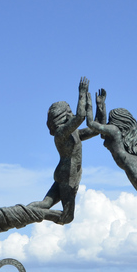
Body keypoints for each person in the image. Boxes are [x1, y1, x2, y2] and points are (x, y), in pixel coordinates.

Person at [29, 78, 104, 225]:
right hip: (67, 177)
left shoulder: (74, 134)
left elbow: (97, 128)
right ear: (62, 115)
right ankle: (32, 214)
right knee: (67, 216)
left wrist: (100, 106)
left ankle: (24, 212)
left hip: (69, 175)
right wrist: (81, 93)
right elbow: (80, 117)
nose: (71, 112)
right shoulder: (61, 133)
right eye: (69, 110)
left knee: (45, 204)